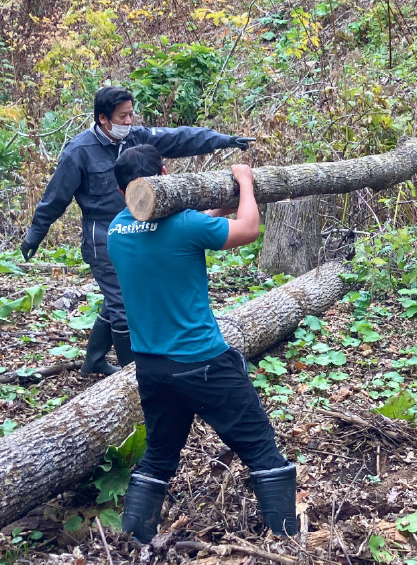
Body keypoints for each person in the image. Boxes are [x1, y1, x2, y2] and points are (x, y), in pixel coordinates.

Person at [107, 145, 296, 544]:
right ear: (163, 175)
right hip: (204, 361)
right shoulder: (183, 228)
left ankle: (132, 539)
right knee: (260, 448)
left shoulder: (116, 230)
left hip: (152, 367)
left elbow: (183, 233)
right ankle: (287, 539)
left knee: (159, 455)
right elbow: (247, 230)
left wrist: (214, 210)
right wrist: (244, 182)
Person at [20, 87, 253, 375]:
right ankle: (134, 375)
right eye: (123, 116)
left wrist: (223, 140)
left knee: (117, 297)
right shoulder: (79, 152)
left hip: (144, 233)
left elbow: (179, 138)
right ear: (104, 119)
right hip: (105, 238)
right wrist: (35, 233)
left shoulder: (135, 138)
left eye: (131, 114)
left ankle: (93, 360)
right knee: (121, 304)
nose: (129, 121)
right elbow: (55, 196)